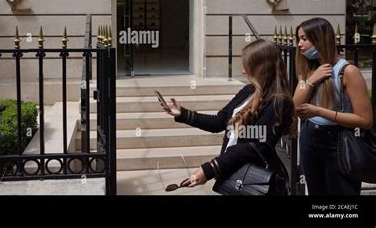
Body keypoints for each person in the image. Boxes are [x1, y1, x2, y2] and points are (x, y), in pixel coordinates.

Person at [159, 39, 296, 192]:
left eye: (247, 66)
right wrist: (183, 114)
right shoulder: (248, 91)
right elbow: (219, 121)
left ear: (261, 67)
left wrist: (210, 169)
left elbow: (252, 146)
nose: (243, 71)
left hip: (255, 180)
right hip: (234, 170)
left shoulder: (279, 102)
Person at [294, 17, 373, 195]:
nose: (299, 44)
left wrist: (319, 111)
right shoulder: (307, 68)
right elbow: (295, 107)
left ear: (321, 38)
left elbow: (365, 120)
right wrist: (311, 81)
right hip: (309, 136)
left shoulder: (348, 71)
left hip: (338, 140)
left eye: (305, 39)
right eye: (298, 39)